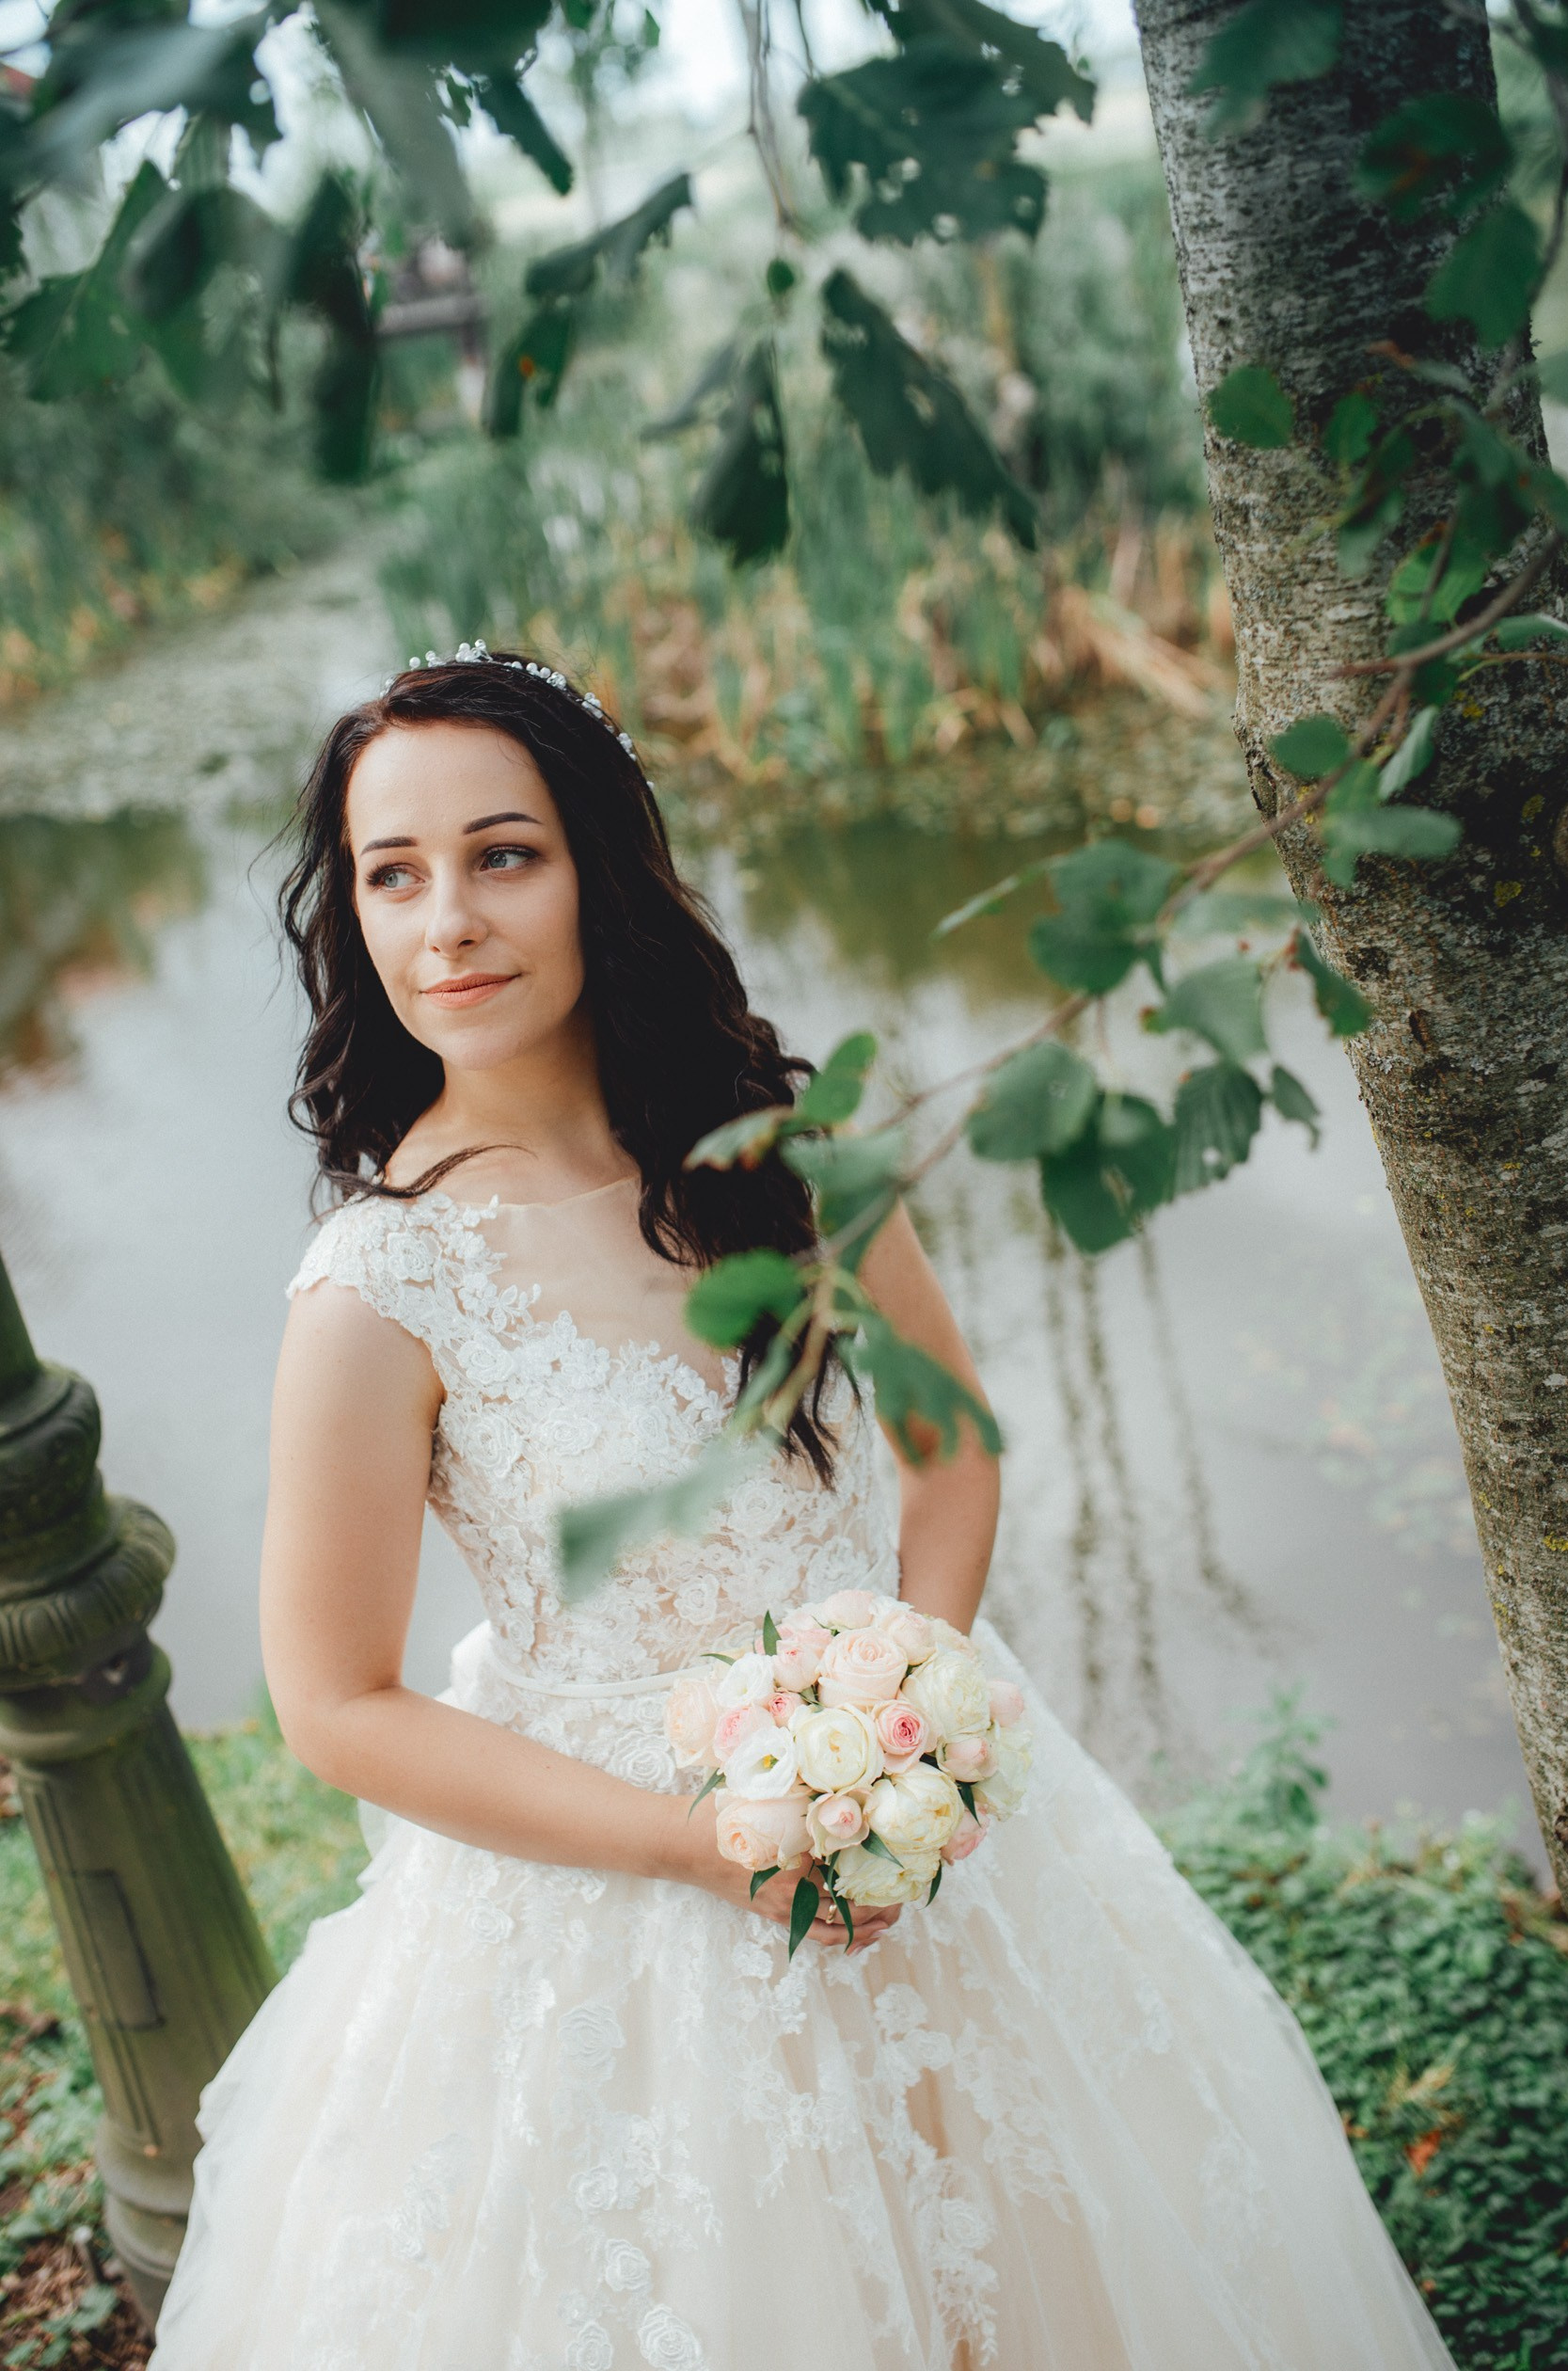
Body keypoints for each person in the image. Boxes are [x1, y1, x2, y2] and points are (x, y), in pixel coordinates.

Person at [150, 649, 1454, 2370]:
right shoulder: (380, 1287)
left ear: (599, 868)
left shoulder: (786, 1144)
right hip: (612, 1899)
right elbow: (333, 1706)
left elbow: (954, 1444)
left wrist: (900, 1724)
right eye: (392, 875)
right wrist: (711, 1845)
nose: (444, 920)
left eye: (501, 854)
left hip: (914, 1815)